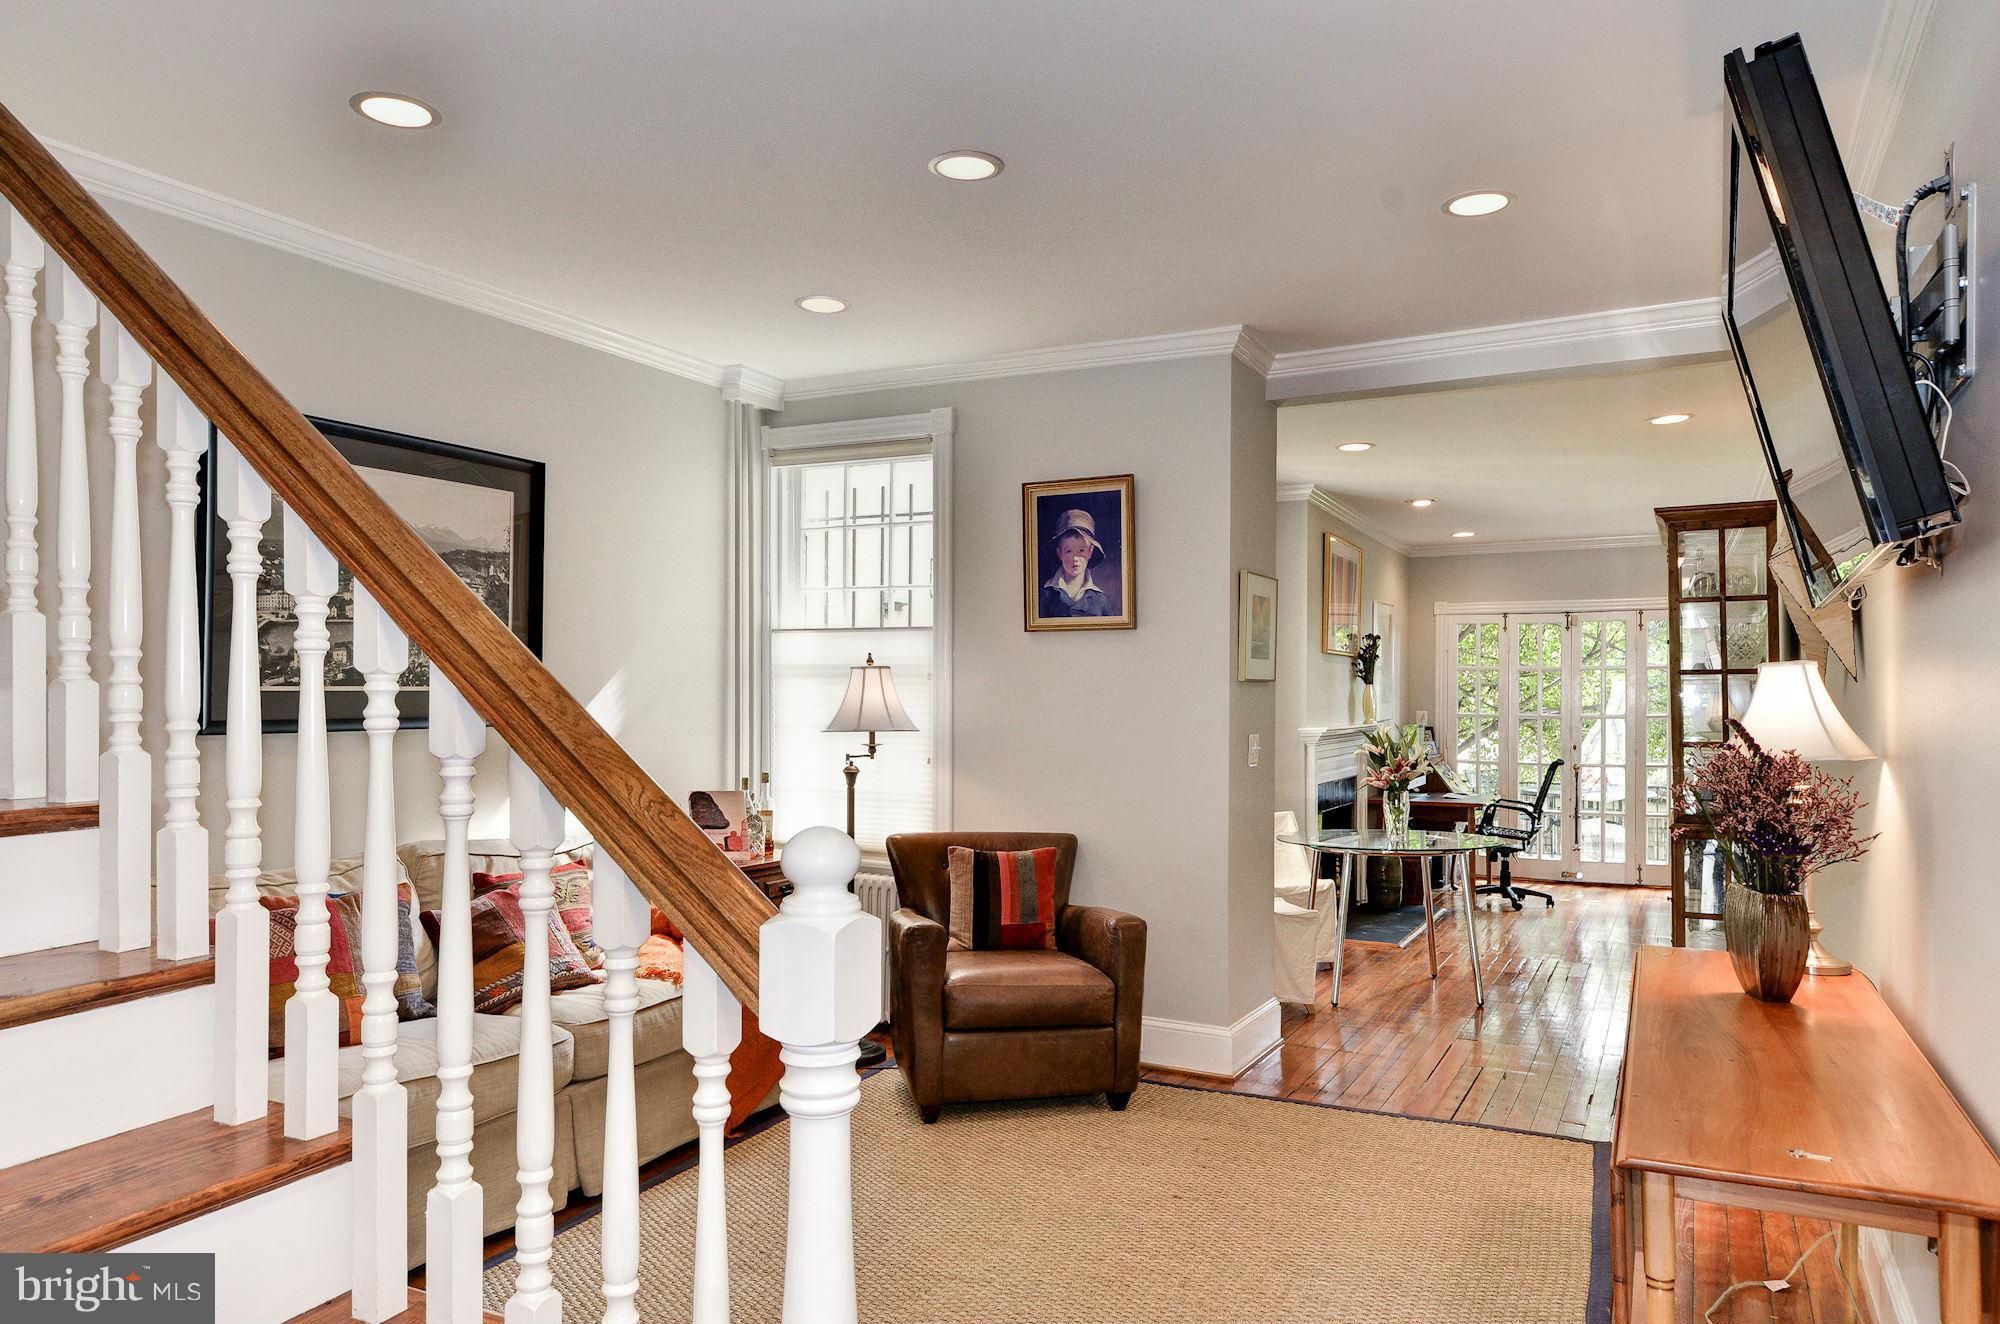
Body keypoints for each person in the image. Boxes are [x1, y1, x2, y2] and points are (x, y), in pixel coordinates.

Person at [1039, 507, 1115, 618]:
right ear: (1059, 553)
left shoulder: (1101, 600)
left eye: (1081, 550)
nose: (1075, 558)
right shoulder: (1045, 595)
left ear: (1090, 552)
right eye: (1068, 551)